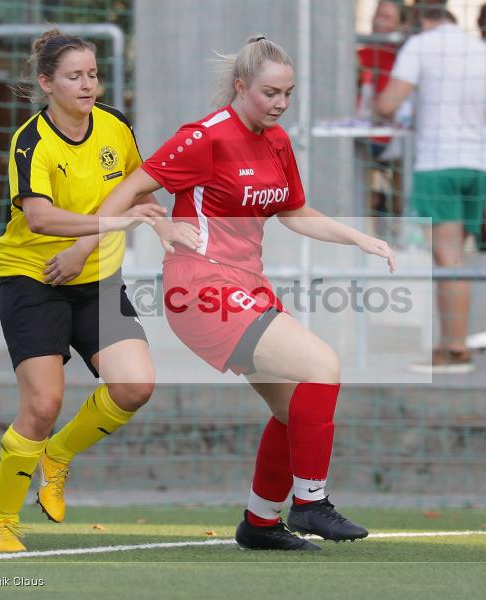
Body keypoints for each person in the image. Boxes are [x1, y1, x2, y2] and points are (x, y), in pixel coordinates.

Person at [35, 36, 396, 551]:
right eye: (271, 93)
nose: (280, 104)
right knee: (324, 365)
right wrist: (84, 245)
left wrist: (358, 237)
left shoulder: (275, 140)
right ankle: (311, 503)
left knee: (294, 410)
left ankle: (261, 523)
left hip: (246, 285)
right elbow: (132, 187)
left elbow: (293, 211)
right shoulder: (204, 136)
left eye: (288, 94)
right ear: (241, 85)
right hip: (200, 288)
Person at [0, 28, 168, 553]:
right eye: (74, 76)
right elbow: (39, 218)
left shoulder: (115, 126)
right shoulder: (30, 141)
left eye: (92, 74)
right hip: (33, 280)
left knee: (134, 386)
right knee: (43, 405)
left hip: (96, 278)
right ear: (47, 83)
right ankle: (1, 523)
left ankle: (58, 455)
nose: (87, 85)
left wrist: (100, 239)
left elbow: (137, 187)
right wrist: (114, 224)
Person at [376, 3, 486, 374]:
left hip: (439, 161)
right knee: (456, 253)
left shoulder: (420, 45)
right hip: (479, 162)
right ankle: (452, 344)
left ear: (422, 20)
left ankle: (454, 348)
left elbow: (387, 104)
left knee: (447, 259)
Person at [357, 0, 405, 240]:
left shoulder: (402, 58)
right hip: (363, 134)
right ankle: (364, 234)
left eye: (387, 16)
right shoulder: (360, 54)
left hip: (393, 135)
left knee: (402, 169)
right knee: (363, 176)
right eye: (378, 14)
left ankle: (401, 231)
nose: (379, 20)